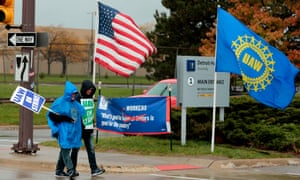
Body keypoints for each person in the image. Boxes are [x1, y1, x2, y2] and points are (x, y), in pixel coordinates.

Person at [47, 81, 86, 178]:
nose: (74, 96)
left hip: (73, 132)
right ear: (68, 93)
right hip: (64, 131)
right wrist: (65, 118)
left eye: (75, 94)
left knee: (64, 151)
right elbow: (52, 115)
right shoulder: (60, 102)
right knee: (65, 150)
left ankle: (59, 170)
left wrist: (83, 127)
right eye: (72, 94)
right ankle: (70, 169)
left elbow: (79, 116)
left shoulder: (75, 104)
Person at [70, 80, 105, 177]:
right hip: (78, 129)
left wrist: (91, 122)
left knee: (91, 149)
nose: (89, 92)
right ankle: (72, 169)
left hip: (88, 129)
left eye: (91, 90)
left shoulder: (90, 98)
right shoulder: (78, 98)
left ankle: (94, 169)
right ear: (84, 89)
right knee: (75, 150)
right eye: (88, 90)